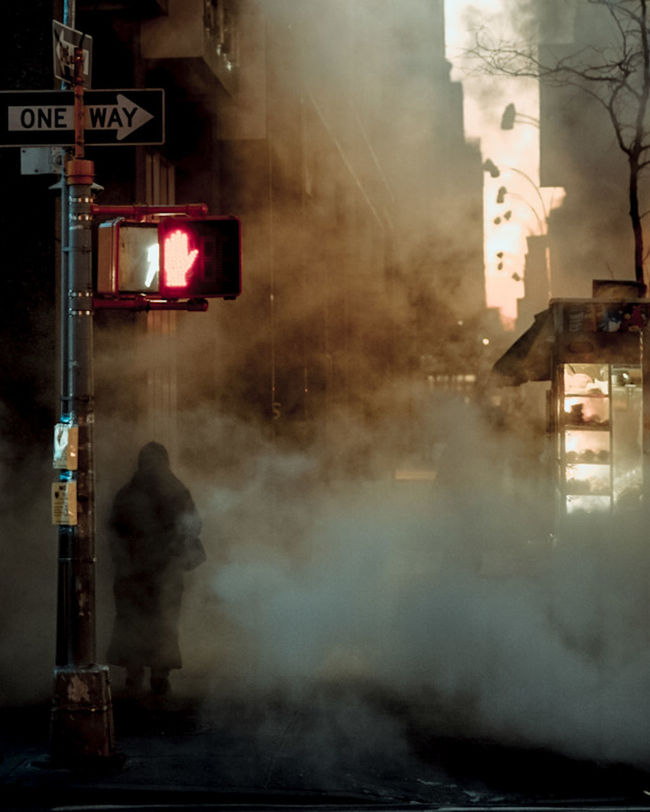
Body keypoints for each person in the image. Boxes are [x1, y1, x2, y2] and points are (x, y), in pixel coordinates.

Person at [106, 441, 205, 696]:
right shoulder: (176, 490)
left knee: (132, 622)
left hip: (132, 572)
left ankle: (134, 674)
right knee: (164, 621)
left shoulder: (126, 494)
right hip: (165, 571)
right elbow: (193, 525)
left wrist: (125, 562)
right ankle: (160, 676)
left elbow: (114, 531)